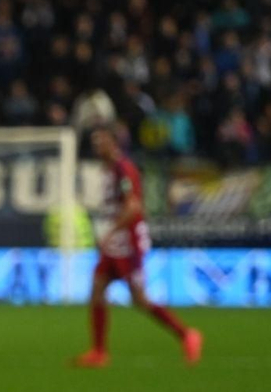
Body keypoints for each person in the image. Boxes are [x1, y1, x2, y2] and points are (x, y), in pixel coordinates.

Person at [73, 126, 203, 367]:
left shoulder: (124, 170)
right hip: (116, 244)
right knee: (97, 287)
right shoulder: (110, 170)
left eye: (100, 141)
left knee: (139, 299)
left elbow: (134, 208)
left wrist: (110, 232)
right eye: (94, 143)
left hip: (129, 243)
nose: (96, 147)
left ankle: (187, 335)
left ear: (114, 142)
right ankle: (99, 352)